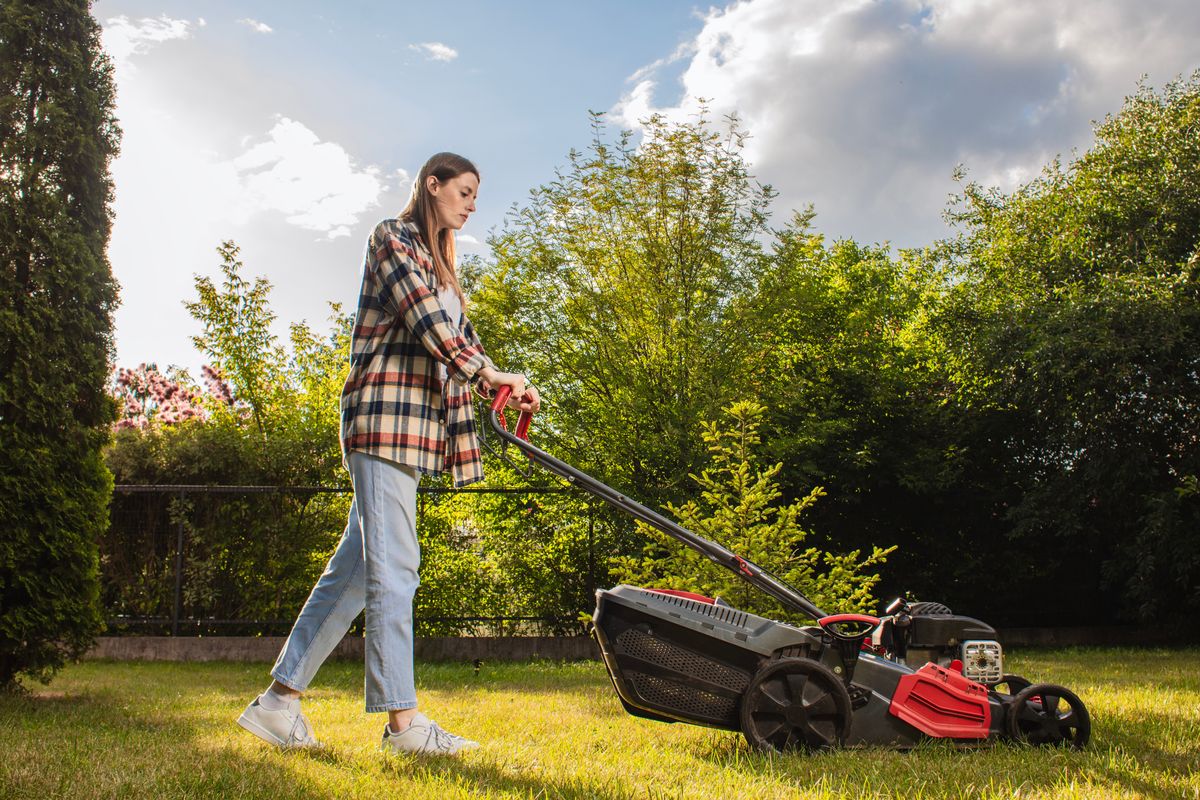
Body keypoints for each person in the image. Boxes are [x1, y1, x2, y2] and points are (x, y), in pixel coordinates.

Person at [236, 152, 539, 755]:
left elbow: (463, 344)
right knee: (397, 569)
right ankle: (404, 725)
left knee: (353, 576)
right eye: (466, 189)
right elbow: (429, 324)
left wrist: (506, 382)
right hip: (382, 424)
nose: (473, 202)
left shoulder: (445, 270)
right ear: (434, 184)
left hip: (414, 434)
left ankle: (277, 704)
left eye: (477, 194)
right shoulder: (393, 238)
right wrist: (489, 370)